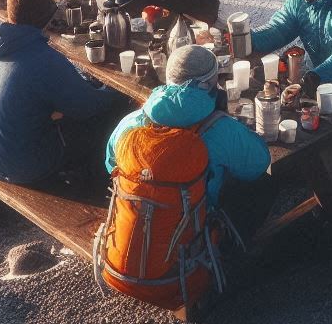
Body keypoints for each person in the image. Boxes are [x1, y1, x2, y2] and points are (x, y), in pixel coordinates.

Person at [103, 45, 276, 239]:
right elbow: (260, 162)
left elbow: (111, 164)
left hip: (138, 227)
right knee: (264, 184)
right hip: (191, 234)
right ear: (205, 85)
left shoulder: (131, 122)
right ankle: (230, 251)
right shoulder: (220, 128)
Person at [0, 0, 121, 186]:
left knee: (56, 111)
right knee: (106, 120)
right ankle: (91, 184)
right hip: (23, 167)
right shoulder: (41, 58)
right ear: (48, 16)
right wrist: (115, 90)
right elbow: (90, 106)